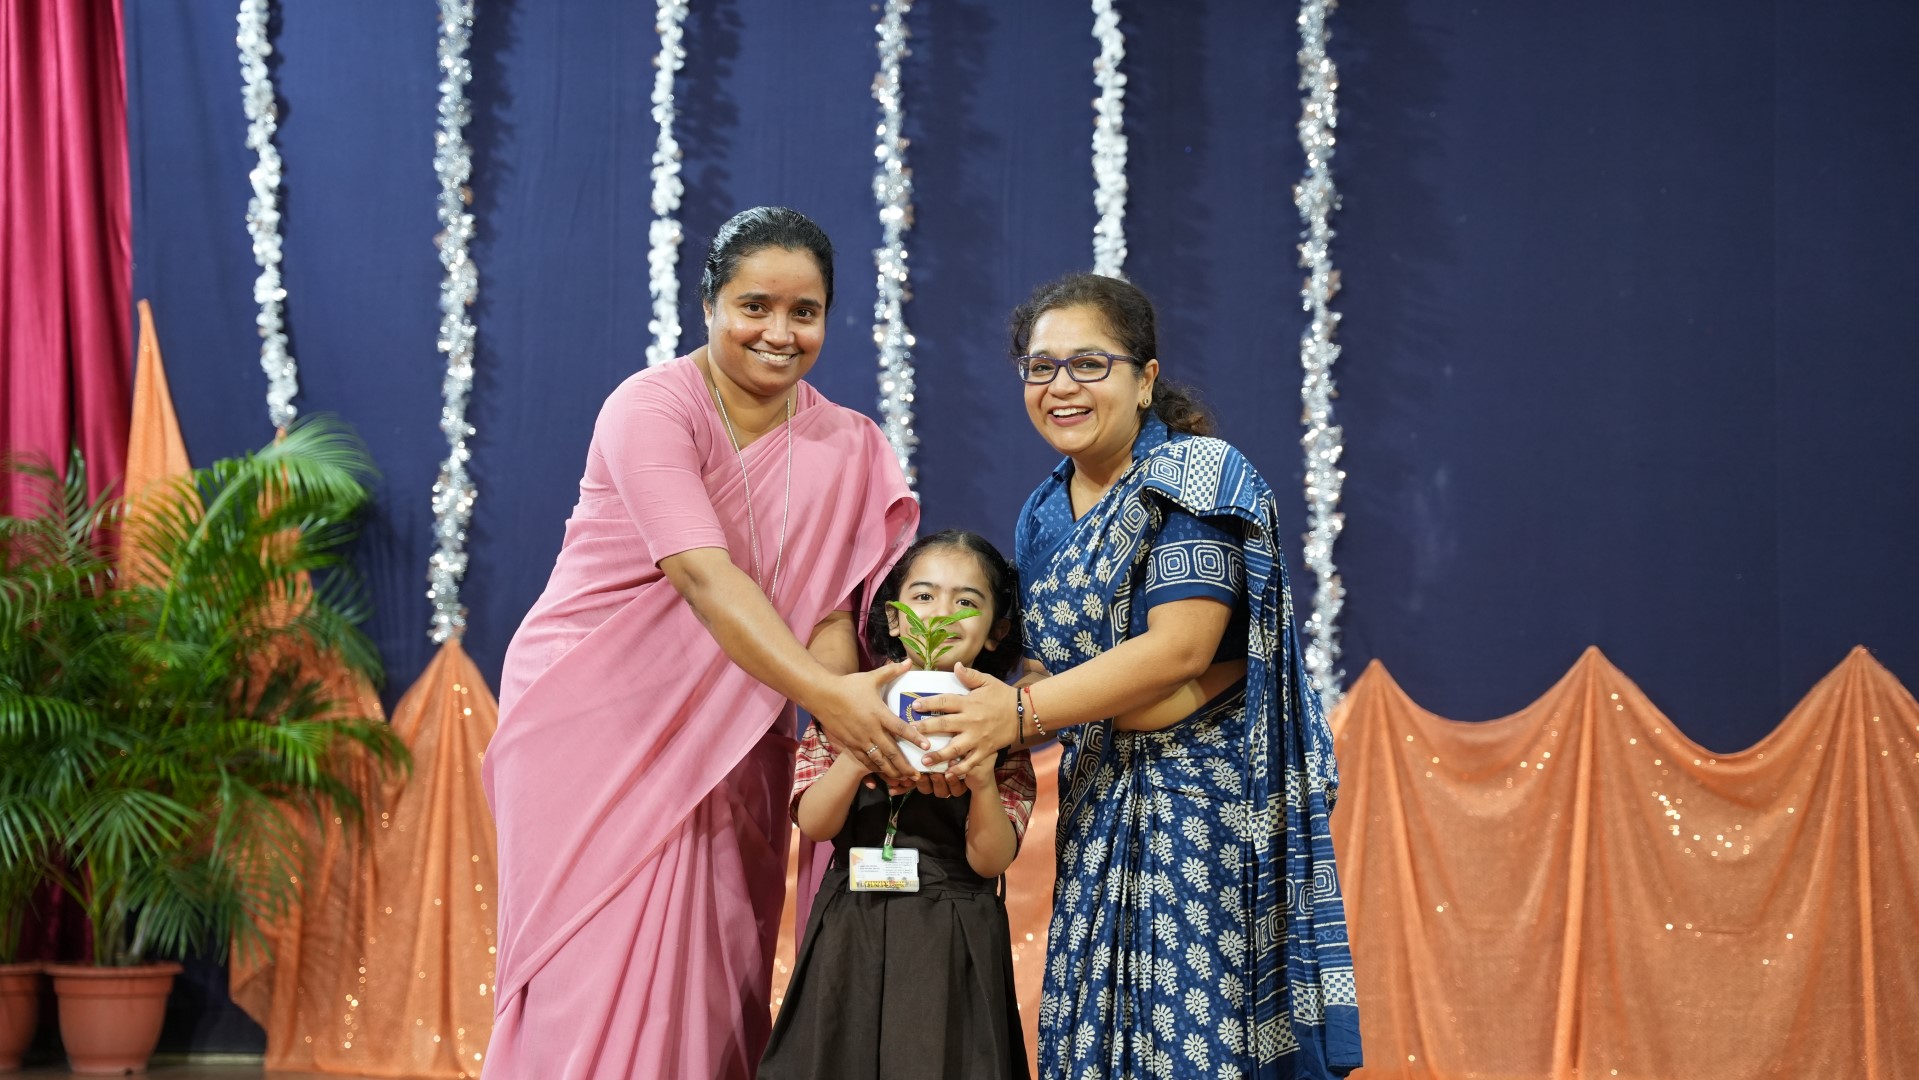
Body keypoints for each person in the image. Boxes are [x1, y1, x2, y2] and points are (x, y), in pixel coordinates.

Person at [481, 207, 923, 1080]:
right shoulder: (651, 409)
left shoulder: (848, 444)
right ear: (709, 304)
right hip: (591, 718)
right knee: (593, 972)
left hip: (740, 734)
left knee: (717, 973)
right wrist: (832, 701)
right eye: (754, 305)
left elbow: (834, 619)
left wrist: (841, 725)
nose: (779, 332)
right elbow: (703, 577)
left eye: (805, 312)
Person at [912, 273, 1363, 1077]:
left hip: (1203, 809)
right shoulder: (1042, 513)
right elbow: (1053, 666)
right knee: (1096, 1039)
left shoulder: (1195, 474)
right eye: (1039, 367)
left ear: (1144, 376)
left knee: (1197, 1039)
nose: (1060, 387)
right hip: (1098, 812)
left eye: (1089, 363)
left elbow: (1180, 650)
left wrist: (1016, 715)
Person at [760, 529, 1035, 1080]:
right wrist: (860, 752)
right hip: (851, 926)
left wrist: (982, 780)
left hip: (950, 933)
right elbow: (814, 823)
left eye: (966, 602)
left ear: (996, 630)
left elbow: (990, 860)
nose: (942, 614)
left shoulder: (1001, 722)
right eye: (924, 596)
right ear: (893, 617)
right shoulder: (849, 704)